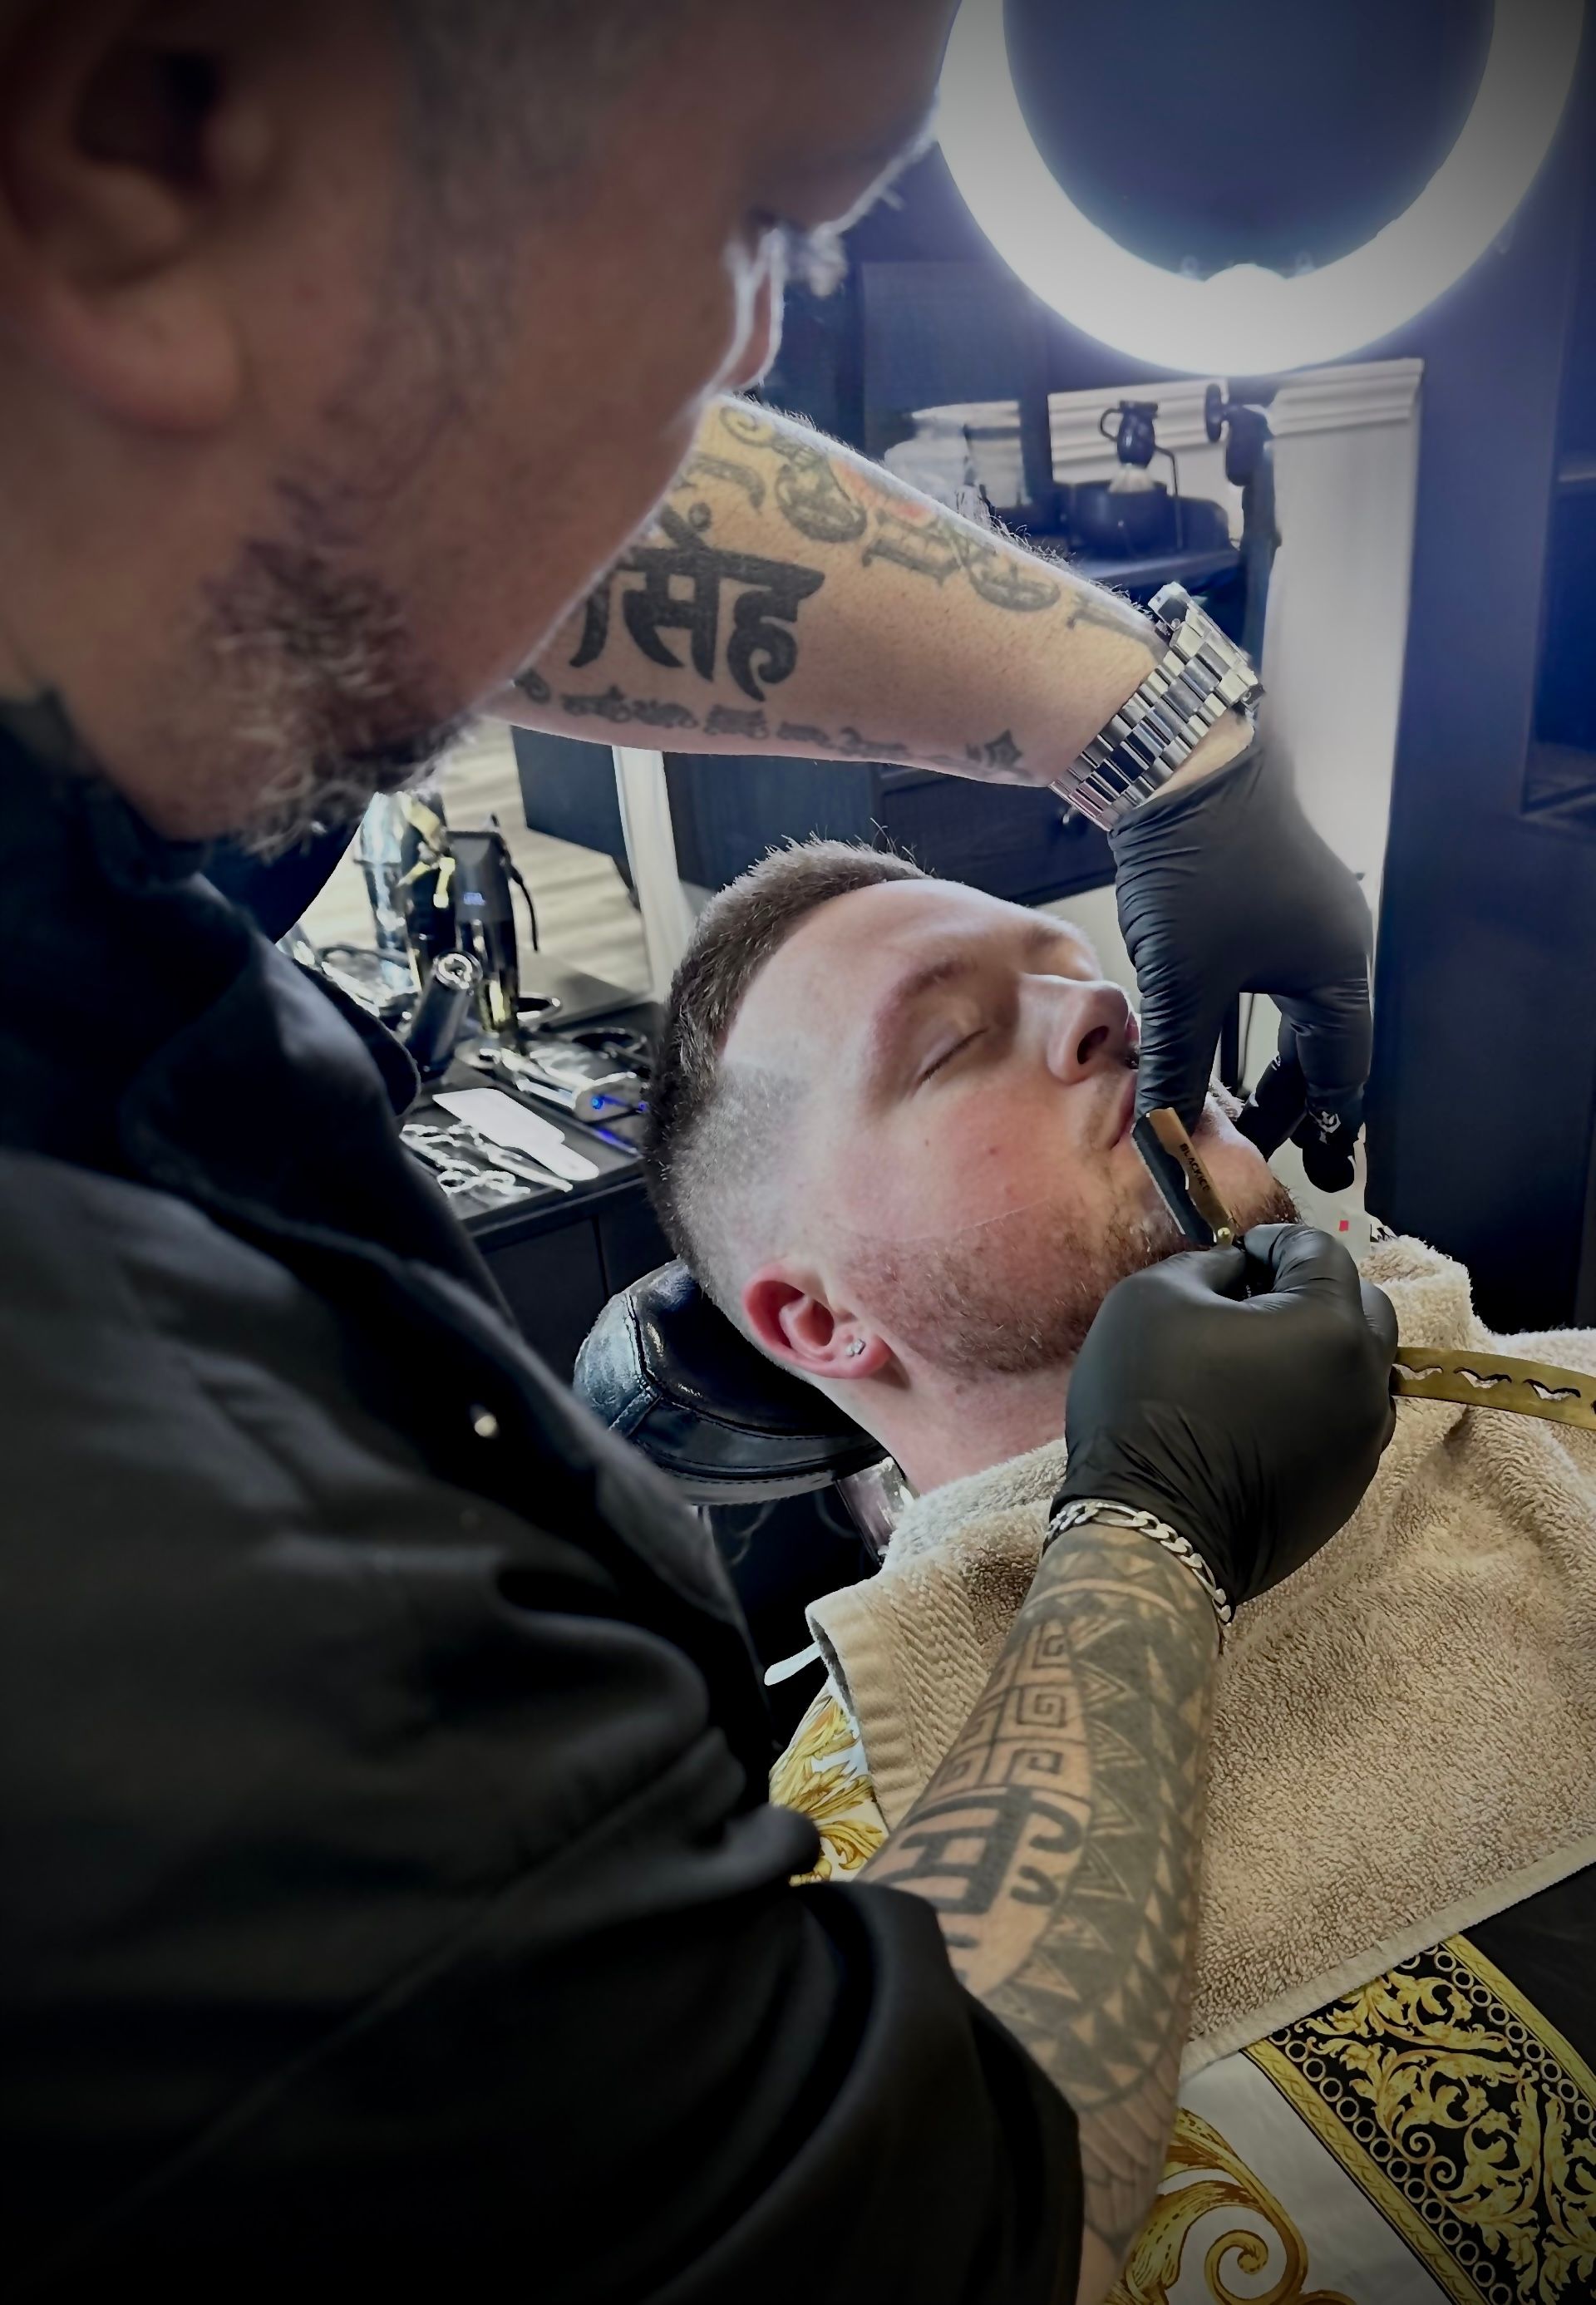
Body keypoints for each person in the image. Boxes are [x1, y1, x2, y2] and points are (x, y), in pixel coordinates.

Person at [0, 7, 1393, 2299]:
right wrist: (1144, 1534)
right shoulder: (199, 1603)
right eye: (750, 222)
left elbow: (424, 451)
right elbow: (915, 2207)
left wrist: (1155, 735)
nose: (750, 344)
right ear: (147, 130)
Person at [644, 838, 1596, 2303]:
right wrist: (1153, 1513)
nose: (1115, 1010)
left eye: (1085, 971)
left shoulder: (1571, 1420)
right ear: (818, 1318)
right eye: (954, 1040)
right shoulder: (830, 1899)